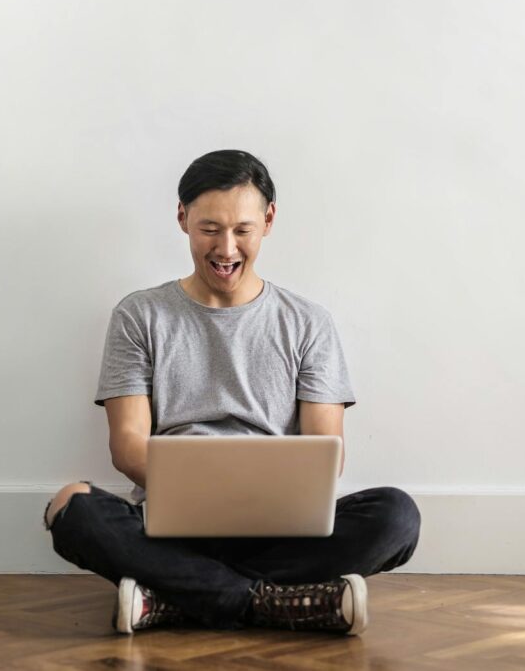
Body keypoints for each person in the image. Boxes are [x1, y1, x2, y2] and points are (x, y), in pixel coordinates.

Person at [43, 150, 421, 635]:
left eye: (243, 230)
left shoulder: (308, 323)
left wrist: (261, 493)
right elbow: (127, 445)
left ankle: (176, 597)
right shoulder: (139, 316)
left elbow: (327, 450)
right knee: (71, 507)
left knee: (396, 516)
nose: (226, 249)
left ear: (268, 221)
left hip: (280, 529)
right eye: (209, 229)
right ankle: (280, 602)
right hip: (172, 525)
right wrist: (200, 487)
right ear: (182, 218)